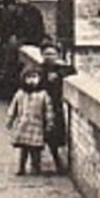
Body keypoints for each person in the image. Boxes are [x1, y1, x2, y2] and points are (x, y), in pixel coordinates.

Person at [37, 40, 77, 174]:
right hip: (39, 106)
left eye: (52, 54)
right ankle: (36, 164)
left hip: (55, 106)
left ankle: (57, 162)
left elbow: (72, 71)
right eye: (46, 54)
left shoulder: (61, 69)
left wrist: (59, 74)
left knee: (54, 136)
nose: (49, 57)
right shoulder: (39, 69)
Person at [6, 65, 51, 176]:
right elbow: (13, 107)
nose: (31, 81)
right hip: (23, 124)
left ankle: (36, 167)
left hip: (36, 125)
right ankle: (21, 167)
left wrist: (50, 122)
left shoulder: (43, 95)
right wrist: (10, 120)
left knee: (36, 150)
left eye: (34, 77)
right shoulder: (20, 94)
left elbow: (48, 110)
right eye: (28, 78)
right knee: (23, 149)